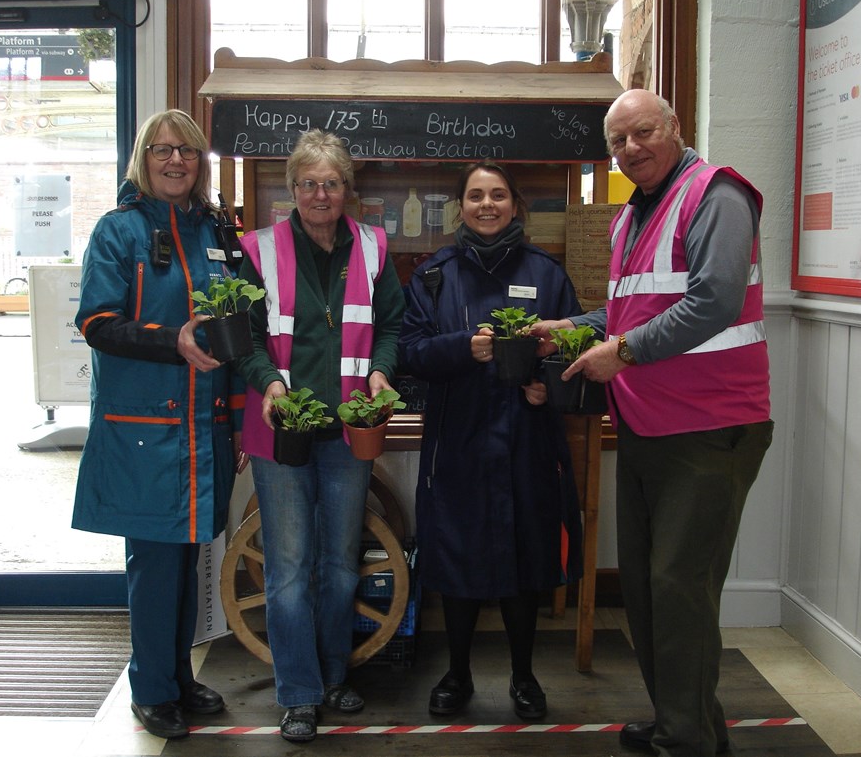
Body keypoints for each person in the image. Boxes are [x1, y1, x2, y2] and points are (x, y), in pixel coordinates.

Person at [534, 89, 773, 756]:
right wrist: (573, 329)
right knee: (644, 590)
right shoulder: (632, 217)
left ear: (674, 127)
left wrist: (626, 353)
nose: (631, 147)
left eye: (643, 132)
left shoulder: (715, 195)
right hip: (647, 426)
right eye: (618, 140)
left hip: (709, 429)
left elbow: (716, 299)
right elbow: (627, 314)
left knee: (678, 589)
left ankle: (684, 740)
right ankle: (686, 723)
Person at [72, 109, 248, 740]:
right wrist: (170, 342)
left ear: (201, 164)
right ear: (143, 159)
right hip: (144, 425)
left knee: (189, 557)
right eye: (163, 151)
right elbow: (96, 323)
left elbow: (238, 322)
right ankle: (150, 688)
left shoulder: (216, 233)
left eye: (188, 152)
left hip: (205, 426)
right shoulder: (117, 232)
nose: (176, 162)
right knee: (154, 561)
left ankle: (177, 674)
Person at [398, 160, 584, 721]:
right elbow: (409, 352)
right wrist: (463, 347)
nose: (487, 205)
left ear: (514, 205)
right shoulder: (433, 274)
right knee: (456, 560)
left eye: (498, 195)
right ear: (460, 206)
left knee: (525, 558)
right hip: (458, 442)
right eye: (475, 195)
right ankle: (456, 675)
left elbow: (576, 349)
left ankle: (524, 677)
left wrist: (544, 389)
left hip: (528, 443)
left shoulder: (547, 274)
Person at [236, 129, 404, 743]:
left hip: (350, 429)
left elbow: (391, 325)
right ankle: (299, 693)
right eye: (309, 183)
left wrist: (382, 368)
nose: (320, 194)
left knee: (338, 564)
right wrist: (267, 384)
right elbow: (248, 337)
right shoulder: (257, 251)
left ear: (347, 190)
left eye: (331, 183)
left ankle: (334, 675)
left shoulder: (373, 247)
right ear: (292, 190)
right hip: (280, 427)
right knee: (286, 567)